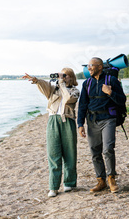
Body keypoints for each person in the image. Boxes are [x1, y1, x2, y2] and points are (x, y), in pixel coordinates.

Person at [23, 68, 80, 197]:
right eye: (62, 75)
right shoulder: (54, 89)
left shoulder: (75, 91)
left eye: (65, 76)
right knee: (53, 153)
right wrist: (36, 80)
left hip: (68, 121)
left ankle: (69, 183)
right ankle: (53, 187)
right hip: (53, 120)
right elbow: (44, 86)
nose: (63, 78)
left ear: (71, 77)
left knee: (70, 153)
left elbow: (68, 98)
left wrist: (62, 83)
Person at [77, 57, 126, 193]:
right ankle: (101, 180)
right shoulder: (86, 84)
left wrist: (110, 92)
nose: (89, 68)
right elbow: (82, 105)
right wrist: (80, 124)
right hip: (92, 120)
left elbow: (122, 100)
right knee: (94, 151)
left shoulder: (112, 81)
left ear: (100, 67)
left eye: (91, 65)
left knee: (108, 149)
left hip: (108, 119)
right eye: (88, 66)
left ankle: (111, 178)